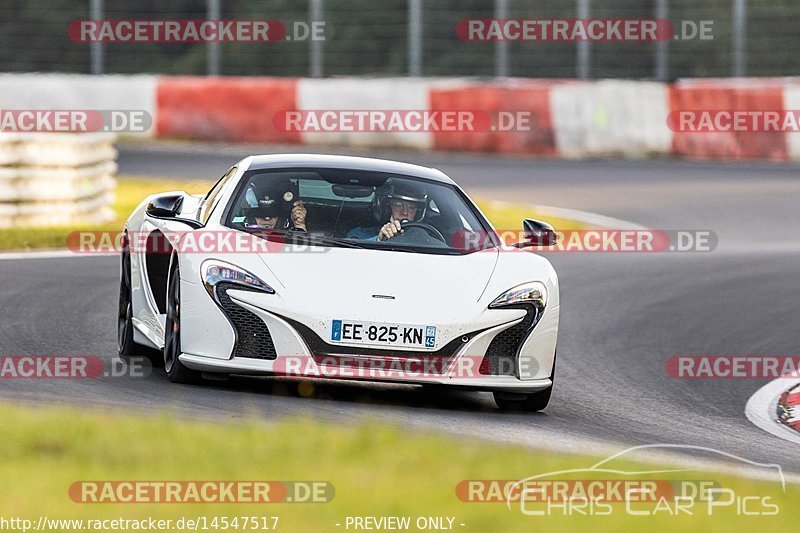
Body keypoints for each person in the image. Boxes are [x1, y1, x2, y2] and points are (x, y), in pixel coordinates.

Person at [346, 182, 427, 241]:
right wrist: (379, 239)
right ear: (387, 208)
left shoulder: (424, 237)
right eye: (398, 205)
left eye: (411, 207)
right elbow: (350, 249)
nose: (405, 212)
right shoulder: (360, 233)